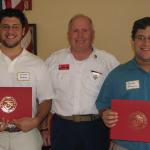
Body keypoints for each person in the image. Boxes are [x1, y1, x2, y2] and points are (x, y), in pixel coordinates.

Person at [44, 14, 119, 150]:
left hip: (96, 127)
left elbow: (119, 97)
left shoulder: (108, 62)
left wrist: (117, 135)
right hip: (62, 127)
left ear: (93, 34)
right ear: (68, 34)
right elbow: (44, 97)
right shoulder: (53, 61)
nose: (80, 35)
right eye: (75, 31)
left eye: (85, 30)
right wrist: (44, 128)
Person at [0, 8, 54, 150]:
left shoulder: (37, 64)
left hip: (26, 136)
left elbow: (46, 99)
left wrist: (36, 121)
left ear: (23, 31)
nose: (10, 31)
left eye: (15, 27)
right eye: (5, 27)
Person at [96, 17, 150, 150]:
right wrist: (105, 114)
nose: (146, 43)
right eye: (140, 37)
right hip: (125, 146)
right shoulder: (117, 75)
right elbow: (102, 104)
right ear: (132, 42)